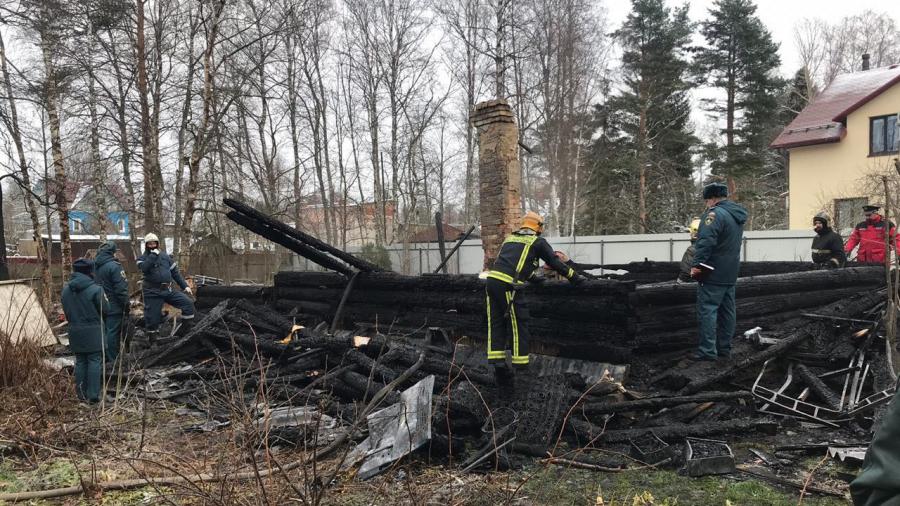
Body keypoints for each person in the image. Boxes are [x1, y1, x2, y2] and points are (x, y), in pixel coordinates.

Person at [485, 211, 584, 372]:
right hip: (509, 285)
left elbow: (517, 264)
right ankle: (521, 365)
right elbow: (554, 261)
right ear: (538, 227)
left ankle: (498, 362)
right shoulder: (537, 242)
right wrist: (575, 277)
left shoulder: (510, 239)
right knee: (518, 323)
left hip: (492, 281)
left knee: (496, 321)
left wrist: (535, 278)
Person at [690, 183, 748, 362]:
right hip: (730, 271)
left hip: (712, 271)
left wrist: (697, 265)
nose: (706, 204)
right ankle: (724, 348)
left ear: (713, 198)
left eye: (707, 200)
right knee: (727, 311)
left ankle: (707, 351)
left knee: (707, 310)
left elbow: (705, 242)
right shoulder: (736, 215)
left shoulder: (714, 215)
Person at [61, 259, 109, 403]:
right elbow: (106, 309)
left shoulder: (66, 290)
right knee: (94, 360)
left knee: (80, 361)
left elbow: (66, 310)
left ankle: (81, 395)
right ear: (90, 271)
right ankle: (93, 395)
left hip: (74, 330)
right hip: (93, 331)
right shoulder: (96, 289)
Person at [137, 233, 194, 344]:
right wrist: (153, 256)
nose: (152, 245)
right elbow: (144, 268)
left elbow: (175, 273)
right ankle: (153, 342)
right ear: (146, 245)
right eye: (150, 243)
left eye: (154, 243)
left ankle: (184, 332)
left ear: (157, 244)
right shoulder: (142, 258)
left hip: (167, 290)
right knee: (153, 317)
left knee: (187, 303)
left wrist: (185, 286)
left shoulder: (165, 257)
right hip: (152, 291)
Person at [95, 241, 129, 361]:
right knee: (112, 333)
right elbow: (121, 290)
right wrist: (126, 305)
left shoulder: (95, 266)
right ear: (113, 252)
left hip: (99, 305)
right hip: (114, 306)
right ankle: (113, 361)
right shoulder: (114, 266)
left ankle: (103, 358)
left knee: (103, 332)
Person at [678, 218, 701, 282]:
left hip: (694, 285)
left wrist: (679, 281)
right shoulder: (715, 246)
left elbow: (685, 272)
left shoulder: (691, 250)